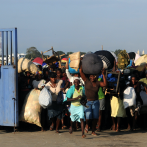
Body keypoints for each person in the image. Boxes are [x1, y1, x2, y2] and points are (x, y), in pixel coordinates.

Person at [79, 64, 107, 136]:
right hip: (87, 102)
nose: (93, 77)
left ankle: (93, 131)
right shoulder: (86, 81)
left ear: (96, 76)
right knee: (88, 117)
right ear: (89, 77)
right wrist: (82, 63)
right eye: (91, 76)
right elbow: (81, 71)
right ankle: (87, 125)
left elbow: (104, 84)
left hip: (95, 102)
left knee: (95, 118)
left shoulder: (98, 83)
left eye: (94, 76)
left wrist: (103, 75)